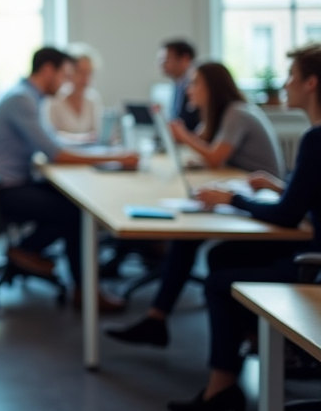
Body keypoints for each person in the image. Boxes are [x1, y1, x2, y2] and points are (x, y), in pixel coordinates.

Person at [166, 45, 321, 411]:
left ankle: (222, 385)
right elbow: (306, 199)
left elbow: (286, 216)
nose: (285, 85)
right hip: (311, 245)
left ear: (312, 83)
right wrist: (277, 186)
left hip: (312, 261)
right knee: (222, 255)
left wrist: (234, 198)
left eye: (291, 77)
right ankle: (263, 345)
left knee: (219, 280)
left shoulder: (316, 140)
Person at [107, 62, 283, 348]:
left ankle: (160, 318)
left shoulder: (237, 112)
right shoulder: (218, 114)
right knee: (185, 238)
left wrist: (182, 135)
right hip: (242, 195)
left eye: (195, 84)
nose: (189, 89)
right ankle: (156, 318)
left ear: (211, 87)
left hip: (261, 202)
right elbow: (204, 145)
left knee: (189, 236)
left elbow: (214, 157)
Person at [0, 46, 138, 311]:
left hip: (5, 183)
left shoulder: (24, 95)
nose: (66, 82)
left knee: (69, 201)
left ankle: (76, 281)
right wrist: (114, 159)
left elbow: (51, 140)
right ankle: (32, 254)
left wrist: (88, 143)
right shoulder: (22, 100)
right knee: (75, 210)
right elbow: (56, 153)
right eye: (64, 75)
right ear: (48, 70)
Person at [45, 43, 104, 141]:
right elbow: (49, 135)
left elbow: (98, 134)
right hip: (62, 155)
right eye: (81, 73)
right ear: (69, 71)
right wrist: (82, 138)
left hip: (89, 155)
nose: (86, 80)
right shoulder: (54, 99)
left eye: (89, 74)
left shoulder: (93, 99)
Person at [160, 38, 201, 130]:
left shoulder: (199, 86)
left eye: (166, 60)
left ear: (184, 59)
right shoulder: (177, 84)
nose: (162, 65)